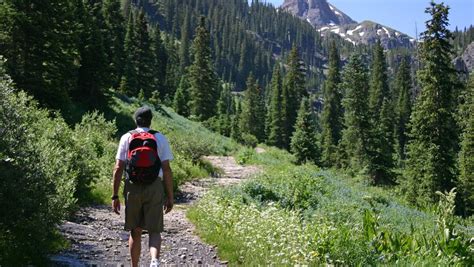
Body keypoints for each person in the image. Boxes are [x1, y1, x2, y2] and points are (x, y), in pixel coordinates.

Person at [112, 106, 174, 267]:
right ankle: (154, 260)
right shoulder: (159, 138)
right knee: (154, 230)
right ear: (150, 121)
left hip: (132, 187)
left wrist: (115, 195)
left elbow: (118, 167)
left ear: (136, 120)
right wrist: (170, 196)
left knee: (136, 230)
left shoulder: (127, 137)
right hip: (154, 186)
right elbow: (166, 169)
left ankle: (135, 266)